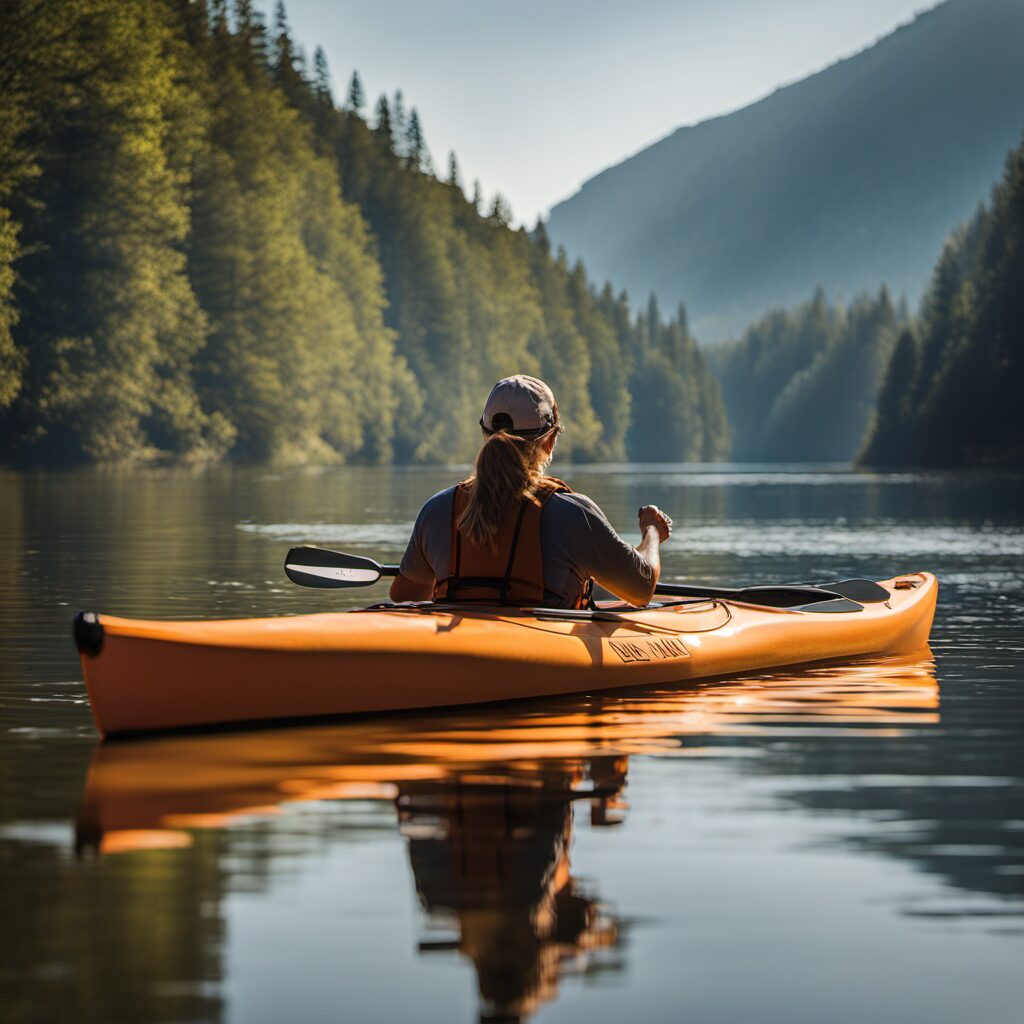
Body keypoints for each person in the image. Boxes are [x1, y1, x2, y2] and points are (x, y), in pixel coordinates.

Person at [390, 375, 673, 609]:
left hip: (457, 649)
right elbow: (642, 588)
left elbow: (405, 596)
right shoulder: (573, 515)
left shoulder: (438, 509)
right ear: (549, 441)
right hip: (543, 651)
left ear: (485, 434)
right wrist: (651, 532)